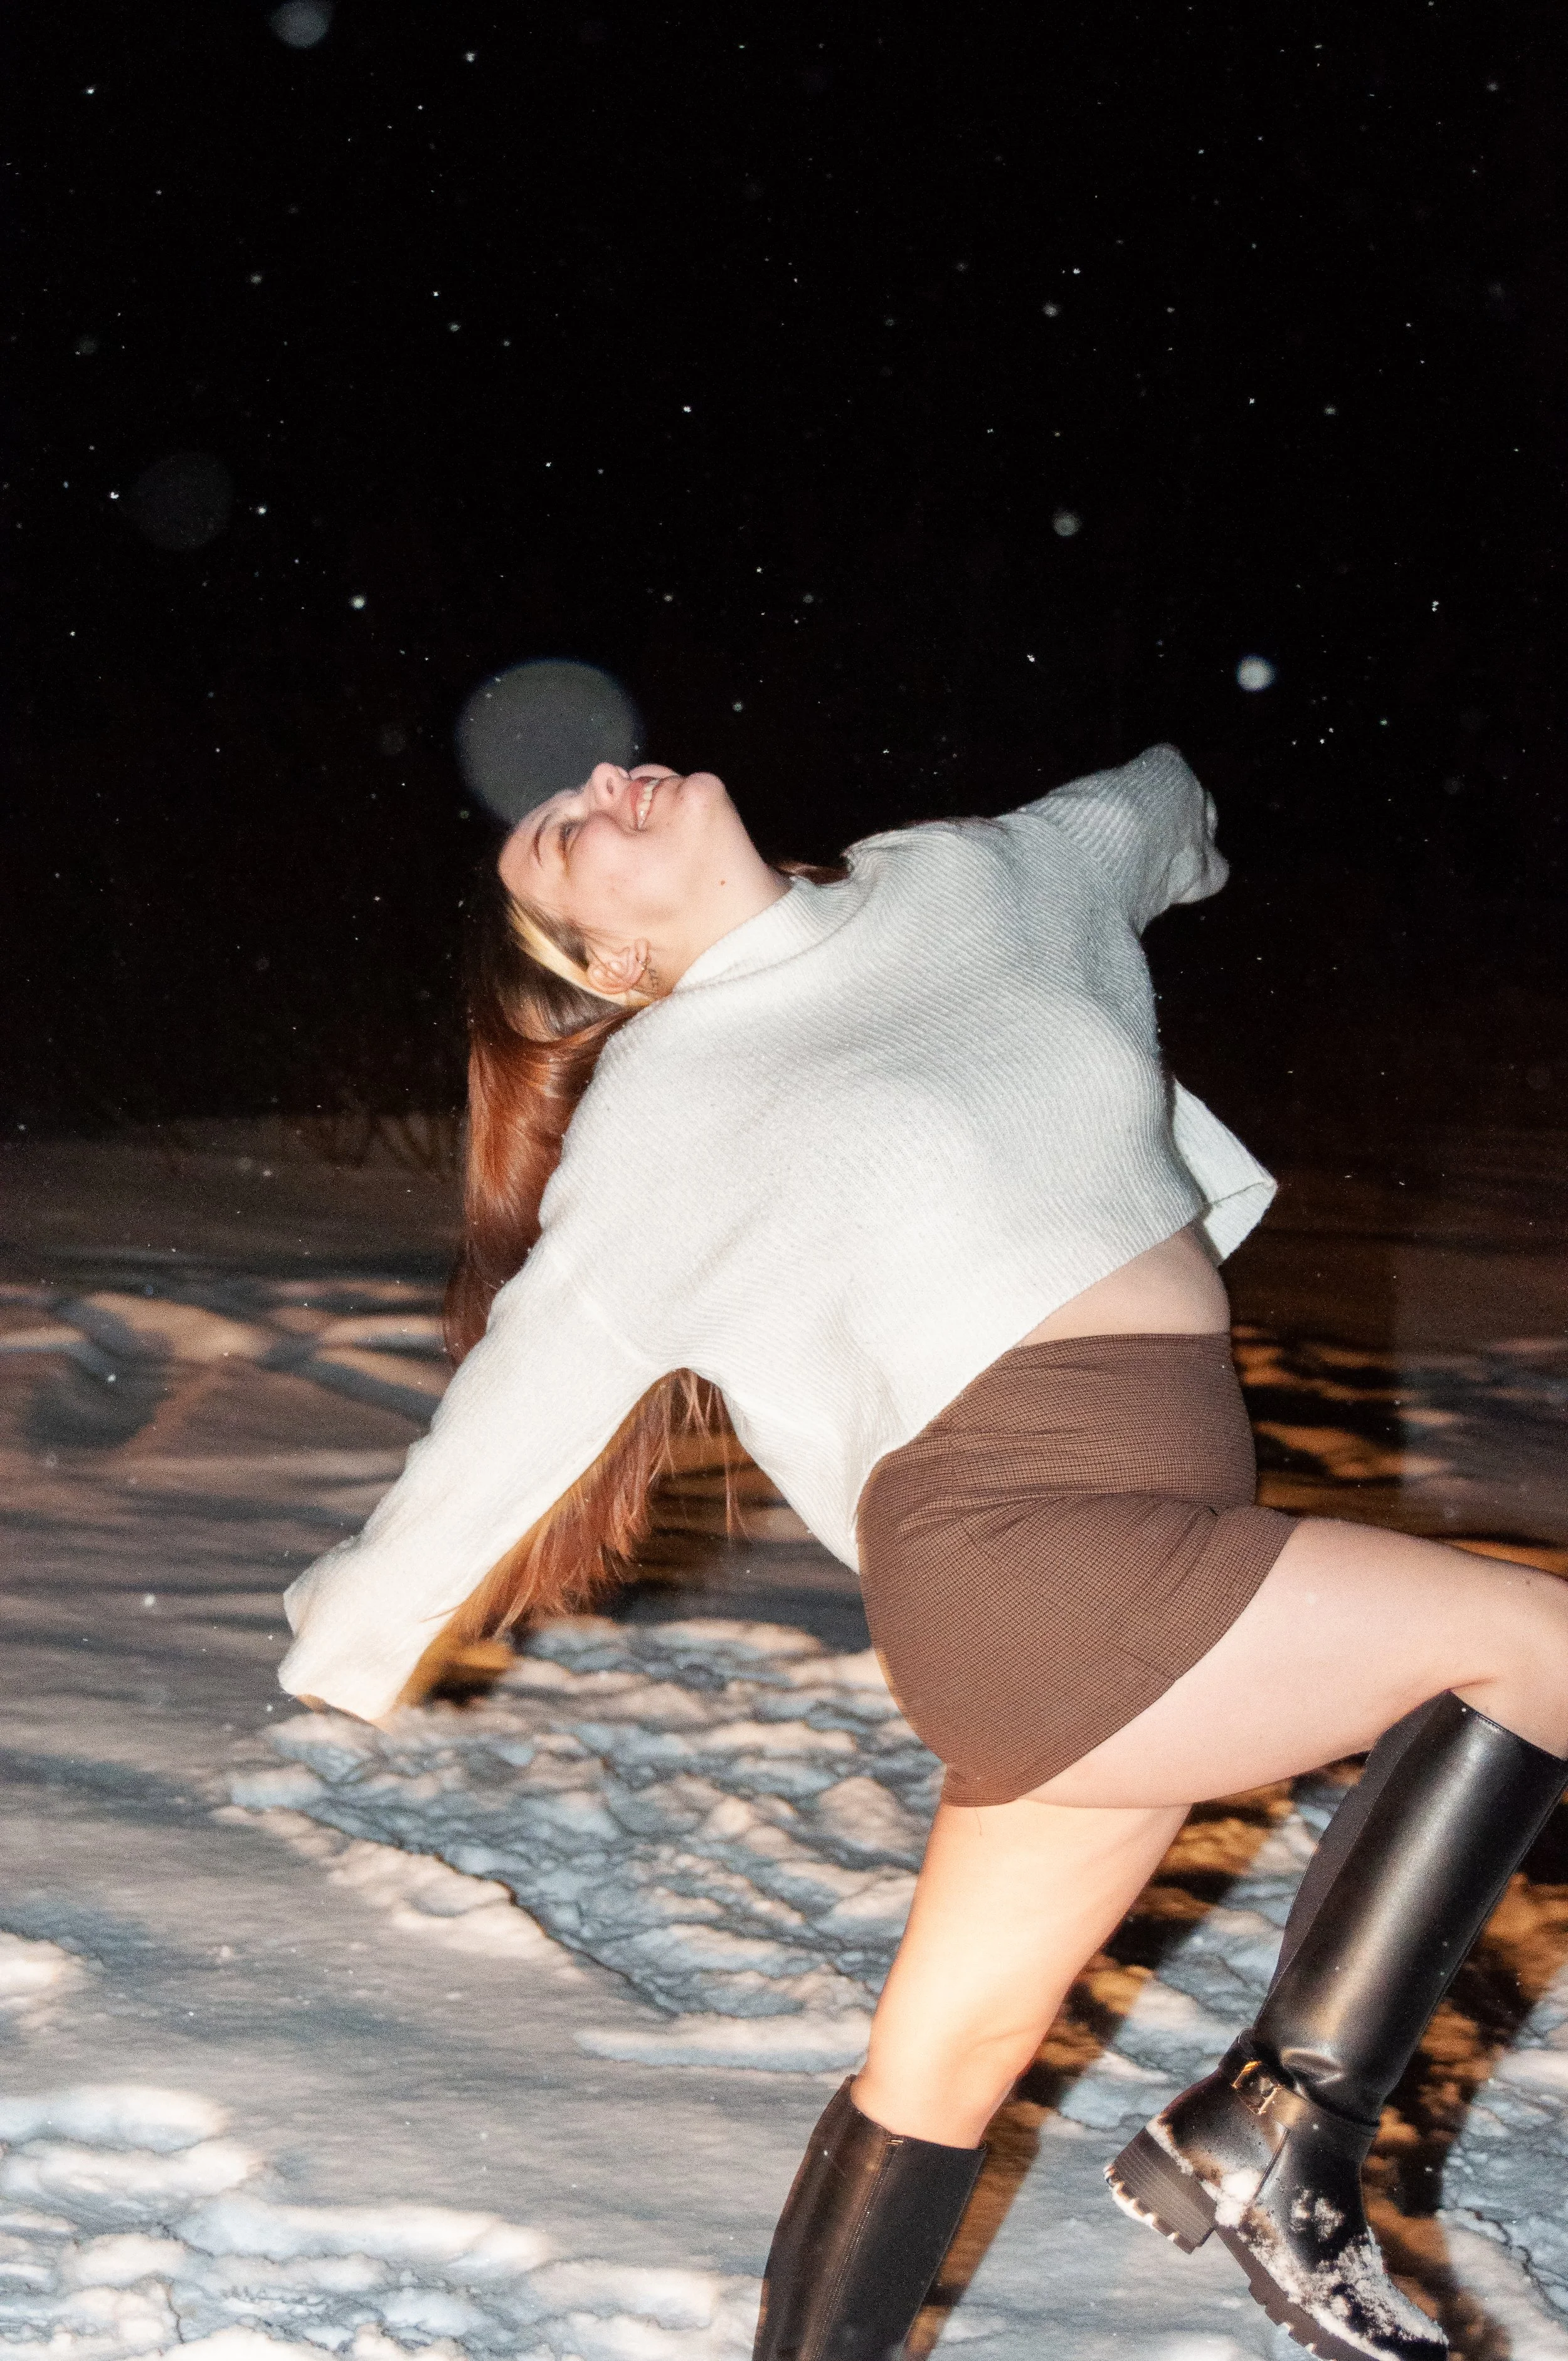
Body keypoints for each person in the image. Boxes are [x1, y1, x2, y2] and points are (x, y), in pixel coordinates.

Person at [278, 748, 1568, 2361]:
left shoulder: (965, 883)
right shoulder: (672, 1095)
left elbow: (1143, 811)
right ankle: (1285, 2118)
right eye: (562, 834)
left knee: (941, 2063)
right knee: (1537, 1645)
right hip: (1021, 1563)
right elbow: (523, 1392)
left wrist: (1191, 831)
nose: (607, 777)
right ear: (606, 965)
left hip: (1149, 1531)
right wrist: (350, 1628)